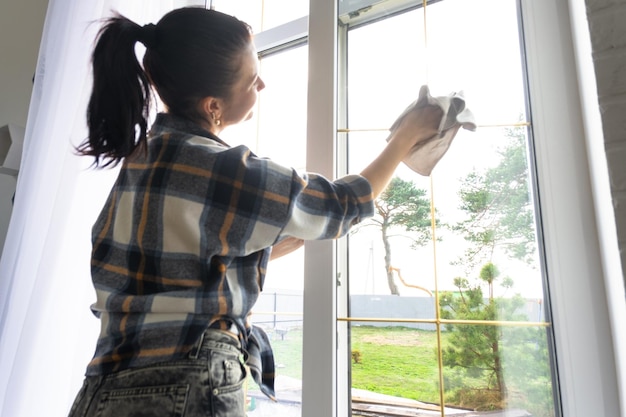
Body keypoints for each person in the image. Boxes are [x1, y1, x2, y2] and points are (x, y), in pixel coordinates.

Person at [68, 6, 442, 417]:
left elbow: (165, 262)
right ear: (213, 105)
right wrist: (405, 138)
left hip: (101, 388)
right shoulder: (225, 169)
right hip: (186, 379)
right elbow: (341, 205)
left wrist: (260, 249)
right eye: (252, 78)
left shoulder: (139, 162)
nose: (261, 83)